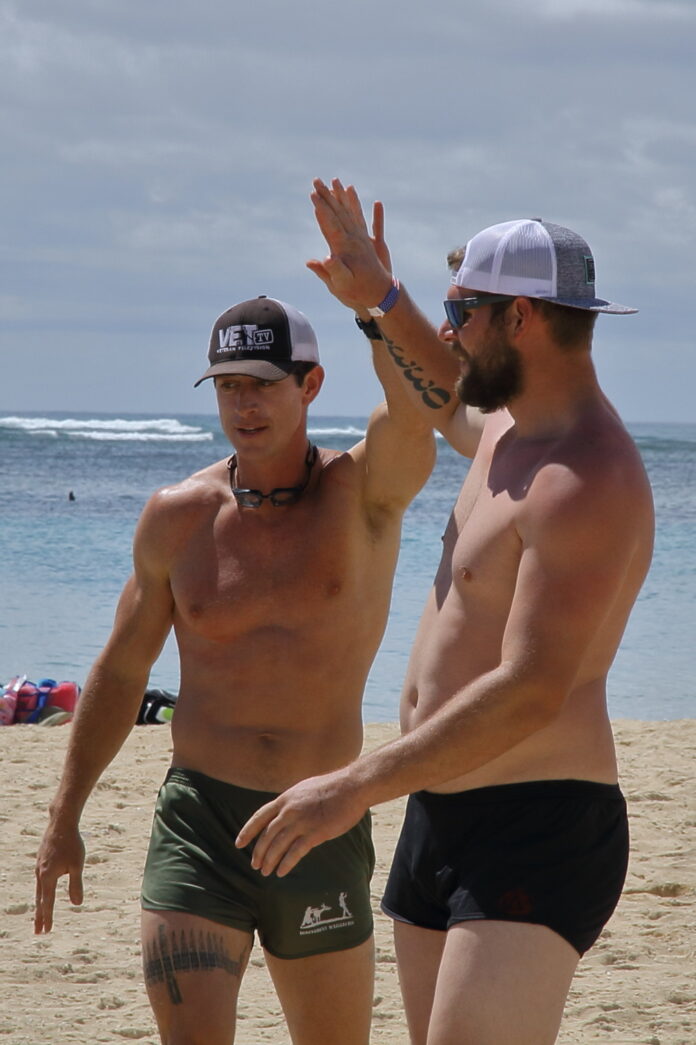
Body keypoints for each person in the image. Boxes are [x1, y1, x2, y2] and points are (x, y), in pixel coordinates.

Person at [236, 182, 655, 1045]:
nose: (452, 325)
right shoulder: (511, 430)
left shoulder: (585, 479)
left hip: (536, 821)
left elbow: (532, 689)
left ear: (522, 319)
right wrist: (377, 302)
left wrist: (354, 785)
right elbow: (442, 395)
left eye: (464, 308)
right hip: (441, 809)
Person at [34, 293, 435, 1045]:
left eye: (261, 384)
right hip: (199, 822)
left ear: (309, 385)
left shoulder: (364, 497)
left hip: (319, 816)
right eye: (227, 386)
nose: (242, 405)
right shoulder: (178, 516)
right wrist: (65, 814)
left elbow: (415, 412)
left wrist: (376, 305)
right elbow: (122, 672)